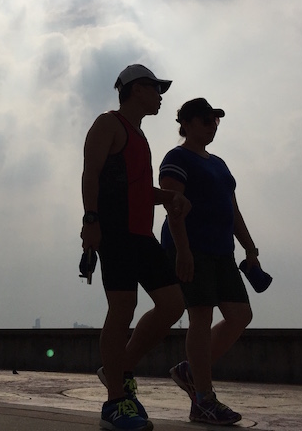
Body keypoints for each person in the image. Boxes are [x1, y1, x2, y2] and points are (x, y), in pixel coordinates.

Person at [81, 64, 190, 431]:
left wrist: (170, 197)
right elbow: (90, 173)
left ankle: (120, 369)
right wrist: (91, 221)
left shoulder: (140, 137)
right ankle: (115, 401)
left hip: (142, 236)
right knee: (122, 308)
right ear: (135, 89)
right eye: (155, 88)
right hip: (115, 233)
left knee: (174, 304)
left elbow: (139, 190)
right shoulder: (108, 124)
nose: (160, 95)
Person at [159, 98, 261, 426]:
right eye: (205, 120)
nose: (212, 125)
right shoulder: (177, 158)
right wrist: (184, 251)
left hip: (221, 252)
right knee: (200, 317)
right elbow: (173, 207)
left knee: (240, 314)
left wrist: (250, 247)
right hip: (191, 248)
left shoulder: (219, 164)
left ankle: (191, 370)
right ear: (186, 123)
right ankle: (203, 398)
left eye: (215, 120)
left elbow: (232, 209)